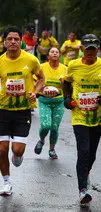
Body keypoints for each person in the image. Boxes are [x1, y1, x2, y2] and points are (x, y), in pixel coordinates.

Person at [63, 34, 101, 205]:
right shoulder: (73, 65)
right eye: (87, 49)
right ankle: (82, 190)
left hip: (99, 116)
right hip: (79, 116)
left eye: (93, 49)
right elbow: (66, 82)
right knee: (84, 151)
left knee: (92, 154)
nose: (90, 52)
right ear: (82, 50)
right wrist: (67, 99)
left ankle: (86, 174)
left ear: (98, 50)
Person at [0, 26, 45, 195]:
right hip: (3, 109)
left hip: (22, 110)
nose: (13, 42)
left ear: (21, 41)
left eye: (16, 39)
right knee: (1, 149)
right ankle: (6, 183)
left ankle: (17, 156)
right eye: (9, 39)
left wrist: (35, 92)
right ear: (4, 42)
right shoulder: (0, 61)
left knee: (16, 151)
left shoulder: (31, 60)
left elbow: (41, 78)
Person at [33, 47, 67, 159]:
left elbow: (69, 85)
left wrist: (64, 84)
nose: (55, 53)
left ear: (59, 55)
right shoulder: (42, 67)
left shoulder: (64, 68)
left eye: (57, 52)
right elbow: (34, 80)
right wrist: (39, 87)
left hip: (58, 101)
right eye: (52, 52)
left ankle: (52, 149)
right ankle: (41, 140)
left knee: (54, 127)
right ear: (48, 55)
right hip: (44, 100)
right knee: (46, 125)